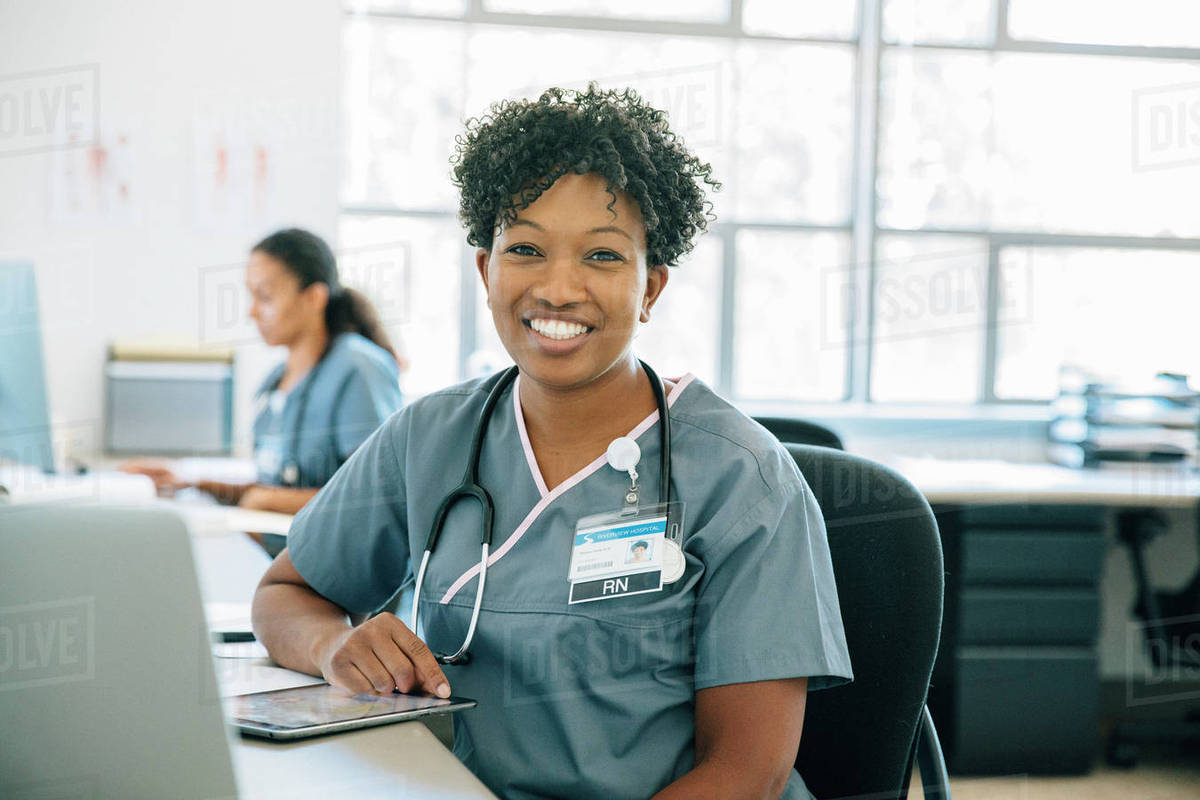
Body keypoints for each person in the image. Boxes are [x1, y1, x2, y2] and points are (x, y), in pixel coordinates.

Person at [252, 86, 852, 799]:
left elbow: (748, 771)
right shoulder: (431, 434)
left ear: (650, 288)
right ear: (487, 271)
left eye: (601, 256)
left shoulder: (740, 477)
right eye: (527, 249)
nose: (558, 288)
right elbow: (286, 593)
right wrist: (334, 645)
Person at [123, 228, 404, 556]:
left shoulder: (357, 368)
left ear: (314, 298)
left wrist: (267, 501)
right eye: (251, 296)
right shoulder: (274, 383)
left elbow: (377, 498)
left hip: (344, 581)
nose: (252, 312)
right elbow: (279, 488)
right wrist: (191, 480)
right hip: (280, 560)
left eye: (265, 297)